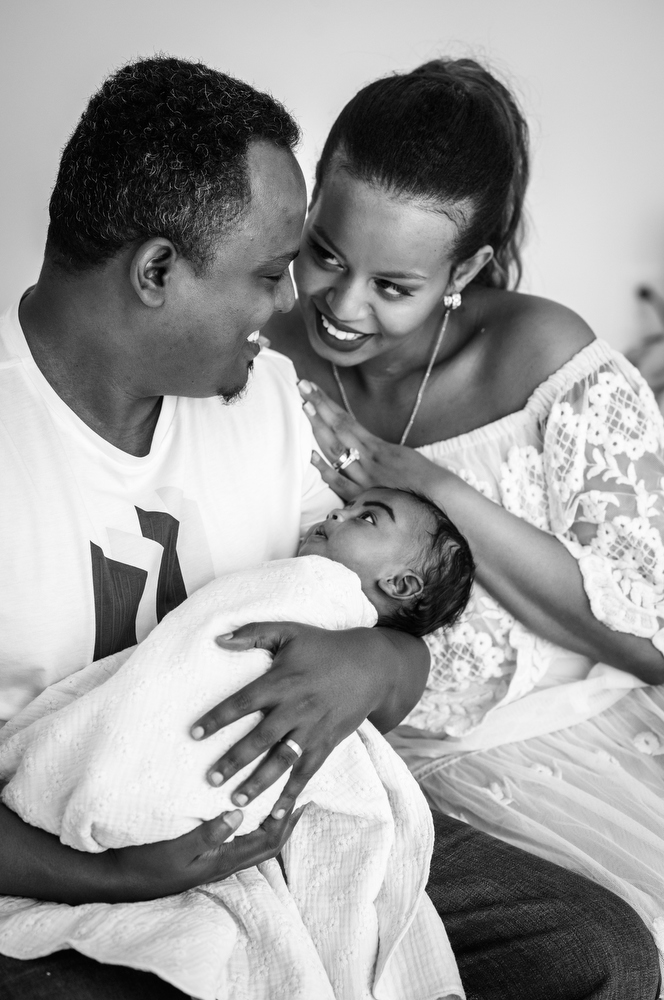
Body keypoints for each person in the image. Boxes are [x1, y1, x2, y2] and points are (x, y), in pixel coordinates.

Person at [0, 54, 658, 1000]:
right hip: (69, 853)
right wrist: (120, 876)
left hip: (289, 812)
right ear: (156, 271)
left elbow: (391, 620)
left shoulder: (266, 396)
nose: (293, 309)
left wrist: (373, 667)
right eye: (284, 268)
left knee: (597, 952)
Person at [266, 54, 664, 987]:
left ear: (467, 268)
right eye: (325, 251)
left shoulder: (545, 359)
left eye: (393, 286)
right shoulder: (259, 355)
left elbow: (651, 639)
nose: (342, 305)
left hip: (596, 750)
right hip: (383, 776)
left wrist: (428, 484)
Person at [0, 487, 472, 999]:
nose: (338, 510)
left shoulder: (329, 593)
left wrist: (371, 661)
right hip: (83, 840)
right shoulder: (295, 580)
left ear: (399, 583)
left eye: (367, 518)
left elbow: (404, 668)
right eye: (348, 506)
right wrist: (113, 876)